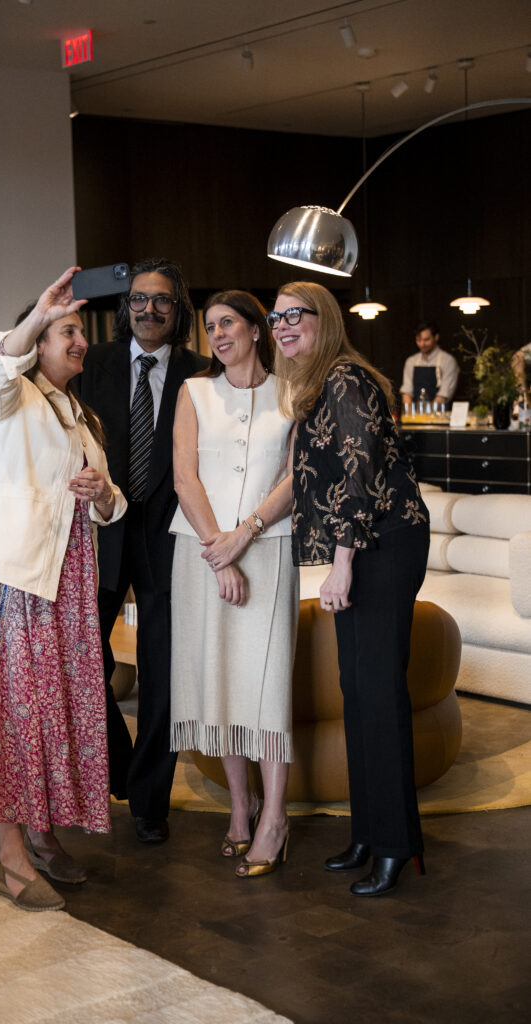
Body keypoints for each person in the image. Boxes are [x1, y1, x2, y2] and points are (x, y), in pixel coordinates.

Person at [0, 268, 126, 912]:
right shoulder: (13, 396)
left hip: (67, 586)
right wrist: (36, 315)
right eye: (68, 331)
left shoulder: (80, 414)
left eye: (79, 332)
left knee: (54, 711)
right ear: (38, 340)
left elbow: (110, 505)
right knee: (11, 712)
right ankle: (7, 854)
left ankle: (42, 829)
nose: (79, 340)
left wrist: (104, 494)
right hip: (16, 578)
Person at [271, 281, 430, 897]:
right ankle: (368, 833)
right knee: (357, 691)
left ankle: (396, 846)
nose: (282, 326)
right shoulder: (318, 384)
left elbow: (359, 477)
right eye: (275, 316)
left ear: (324, 319)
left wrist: (342, 565)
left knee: (378, 692)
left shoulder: (343, 379)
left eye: (295, 315)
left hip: (380, 544)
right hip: (366, 544)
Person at [78, 257, 209, 844]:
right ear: (124, 307)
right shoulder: (93, 364)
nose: (148, 310)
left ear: (177, 311)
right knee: (82, 657)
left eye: (161, 301)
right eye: (138, 299)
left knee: (163, 674)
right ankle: (123, 764)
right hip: (101, 532)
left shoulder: (201, 373)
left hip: (167, 539)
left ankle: (150, 801)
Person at [170, 291, 298, 878]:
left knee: (267, 682)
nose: (218, 335)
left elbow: (295, 477)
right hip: (200, 553)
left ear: (256, 329)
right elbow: (184, 475)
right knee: (220, 678)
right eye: (210, 327)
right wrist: (220, 557)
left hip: (270, 551)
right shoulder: (193, 393)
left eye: (228, 324)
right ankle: (241, 808)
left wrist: (244, 536)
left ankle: (275, 817)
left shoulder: (292, 391)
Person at [400, 320, 459, 407]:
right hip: (415, 416)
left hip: (440, 416)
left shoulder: (448, 361)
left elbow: (443, 395)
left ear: (436, 337)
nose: (422, 344)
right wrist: (410, 414)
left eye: (426, 340)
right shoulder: (411, 361)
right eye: (418, 340)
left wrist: (427, 415)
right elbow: (407, 392)